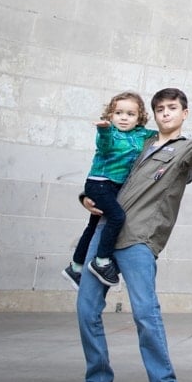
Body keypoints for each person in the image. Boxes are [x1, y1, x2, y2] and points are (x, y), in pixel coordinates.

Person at [59, 88, 192, 382]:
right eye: (159, 108)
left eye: (172, 108)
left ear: (184, 113)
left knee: (146, 314)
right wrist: (86, 198)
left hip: (139, 239)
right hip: (105, 233)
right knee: (86, 310)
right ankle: (98, 381)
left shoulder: (184, 148)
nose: (165, 113)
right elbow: (108, 170)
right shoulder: (138, 140)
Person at [62, 90, 154, 289]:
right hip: (100, 182)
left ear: (139, 118)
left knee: (93, 226)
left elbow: (161, 136)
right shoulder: (109, 132)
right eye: (118, 113)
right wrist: (103, 130)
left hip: (114, 187)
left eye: (130, 114)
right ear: (110, 115)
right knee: (117, 217)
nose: (123, 118)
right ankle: (102, 261)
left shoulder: (140, 134)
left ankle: (76, 267)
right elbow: (104, 146)